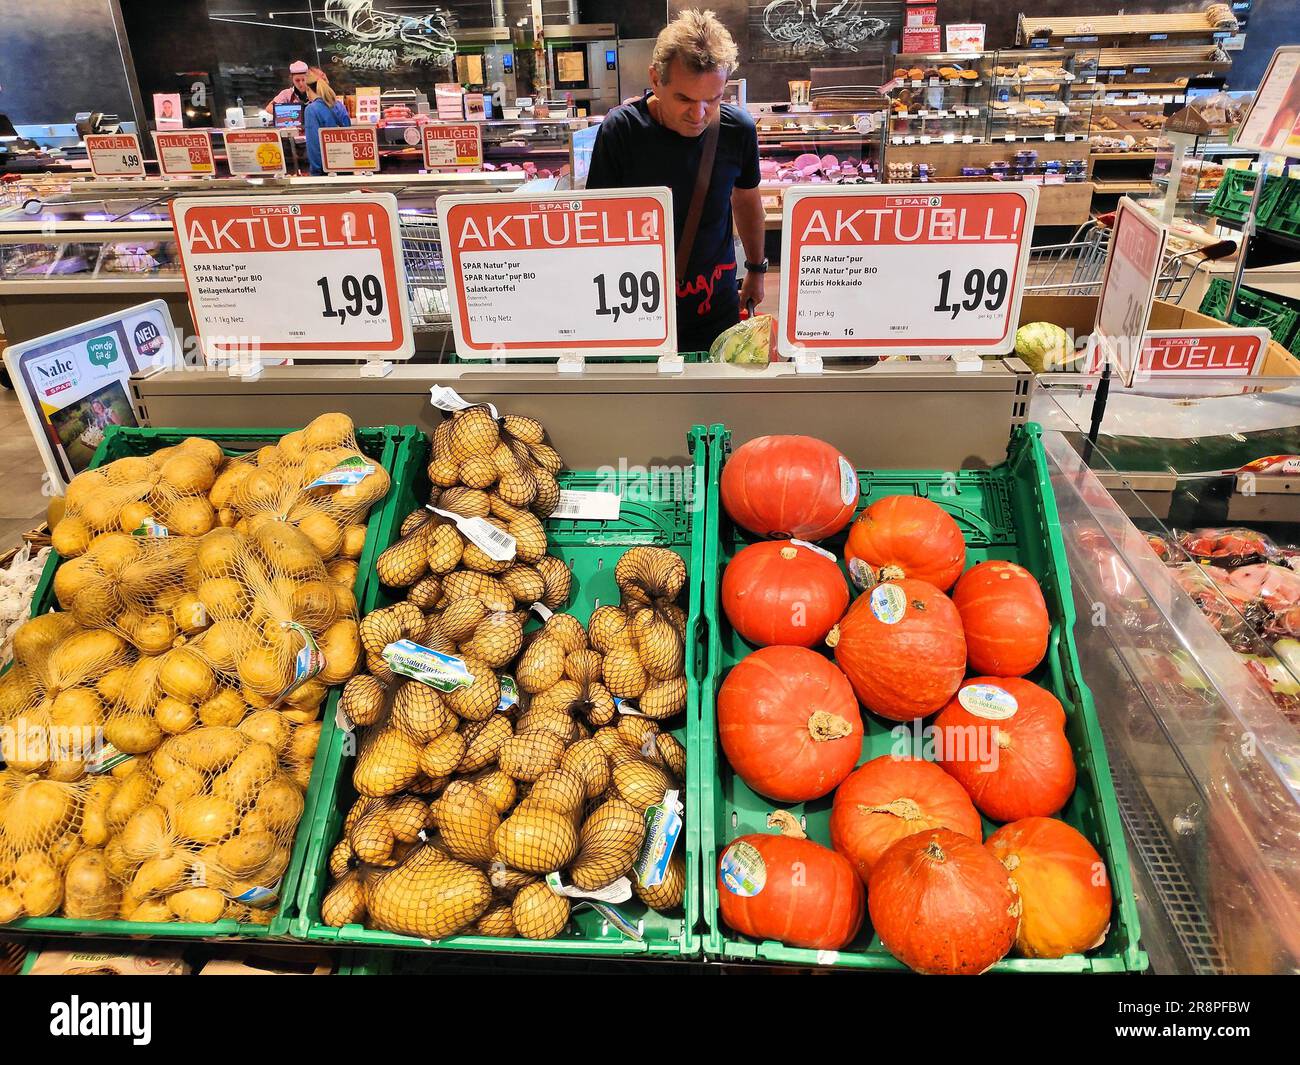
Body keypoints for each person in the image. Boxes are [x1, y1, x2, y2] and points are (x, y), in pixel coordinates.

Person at [585, 9, 765, 354]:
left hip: (715, 306)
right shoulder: (621, 130)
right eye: (684, 98)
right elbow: (597, 222)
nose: (698, 115)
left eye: (712, 99)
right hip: (636, 313)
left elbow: (746, 201)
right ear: (656, 79)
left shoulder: (737, 130)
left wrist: (756, 269)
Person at [303, 68, 351, 176]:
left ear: (308, 89)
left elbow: (314, 146)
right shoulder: (339, 105)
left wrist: (316, 172)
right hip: (346, 168)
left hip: (325, 171)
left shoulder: (311, 109)